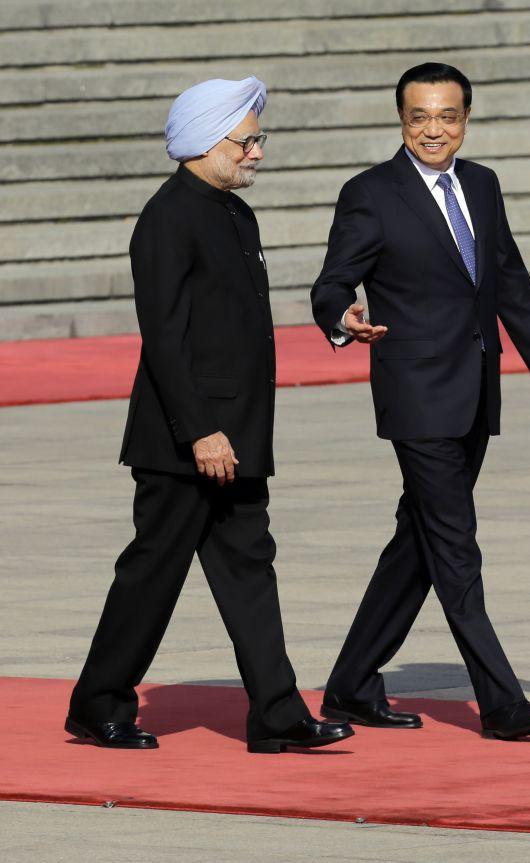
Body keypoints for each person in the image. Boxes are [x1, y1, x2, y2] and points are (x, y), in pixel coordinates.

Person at [65, 77, 353, 754]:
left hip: (240, 436)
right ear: (202, 142)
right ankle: (98, 703)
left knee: (251, 567)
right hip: (182, 442)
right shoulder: (168, 217)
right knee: (152, 574)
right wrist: (199, 429)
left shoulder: (233, 212)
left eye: (258, 139)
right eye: (245, 140)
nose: (256, 152)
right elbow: (163, 337)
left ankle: (278, 715)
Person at [311, 62, 530, 740]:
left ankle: (349, 684)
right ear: (401, 120)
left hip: (474, 395)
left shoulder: (484, 186)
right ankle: (501, 701)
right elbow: (331, 281)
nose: (433, 129)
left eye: (447, 116)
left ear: (465, 118)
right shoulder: (371, 194)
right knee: (456, 545)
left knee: (421, 541)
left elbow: (511, 284)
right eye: (419, 117)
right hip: (416, 395)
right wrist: (342, 318)